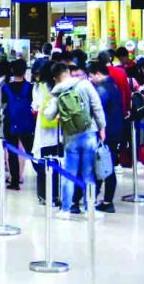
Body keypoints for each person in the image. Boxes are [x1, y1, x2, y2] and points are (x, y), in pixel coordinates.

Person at [44, 62, 106, 219]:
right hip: (89, 134)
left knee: (69, 174)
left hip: (70, 137)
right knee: (88, 173)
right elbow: (96, 106)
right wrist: (102, 127)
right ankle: (89, 209)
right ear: (68, 72)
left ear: (55, 78)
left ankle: (65, 209)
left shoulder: (57, 92)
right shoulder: (85, 84)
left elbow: (48, 115)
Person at [87, 61, 123, 213]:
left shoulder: (102, 89)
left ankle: (107, 201)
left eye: (91, 76)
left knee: (106, 167)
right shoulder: (113, 86)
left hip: (106, 133)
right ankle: (100, 198)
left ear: (97, 74)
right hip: (115, 131)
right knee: (106, 165)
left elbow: (96, 110)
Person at [1, 59, 36, 190]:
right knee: (31, 151)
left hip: (10, 123)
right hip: (27, 123)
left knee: (12, 153)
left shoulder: (5, 88)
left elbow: (3, 104)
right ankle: (42, 174)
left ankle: (14, 181)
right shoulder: (30, 88)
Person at [31, 61, 62, 206]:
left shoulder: (39, 86)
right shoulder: (60, 87)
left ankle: (43, 195)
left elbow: (35, 105)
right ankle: (56, 195)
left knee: (43, 163)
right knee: (57, 162)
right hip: (58, 130)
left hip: (43, 129)